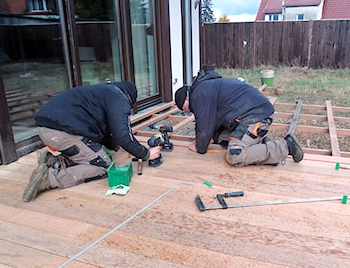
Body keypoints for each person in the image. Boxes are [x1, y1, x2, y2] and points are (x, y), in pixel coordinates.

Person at [23, 81, 161, 202]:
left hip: (47, 128)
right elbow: (123, 135)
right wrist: (146, 154)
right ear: (130, 99)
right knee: (104, 166)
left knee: (94, 153)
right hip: (61, 133)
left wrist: (119, 146)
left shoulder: (105, 92)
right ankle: (49, 178)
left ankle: (56, 162)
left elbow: (108, 129)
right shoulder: (120, 99)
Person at [174, 70, 303, 166]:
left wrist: (199, 147)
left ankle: (285, 146)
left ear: (186, 98)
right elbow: (213, 120)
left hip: (256, 116)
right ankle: (263, 148)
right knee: (219, 137)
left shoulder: (199, 94)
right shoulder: (206, 87)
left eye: (184, 108)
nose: (188, 111)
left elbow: (204, 127)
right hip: (248, 115)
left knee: (235, 155)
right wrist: (211, 137)